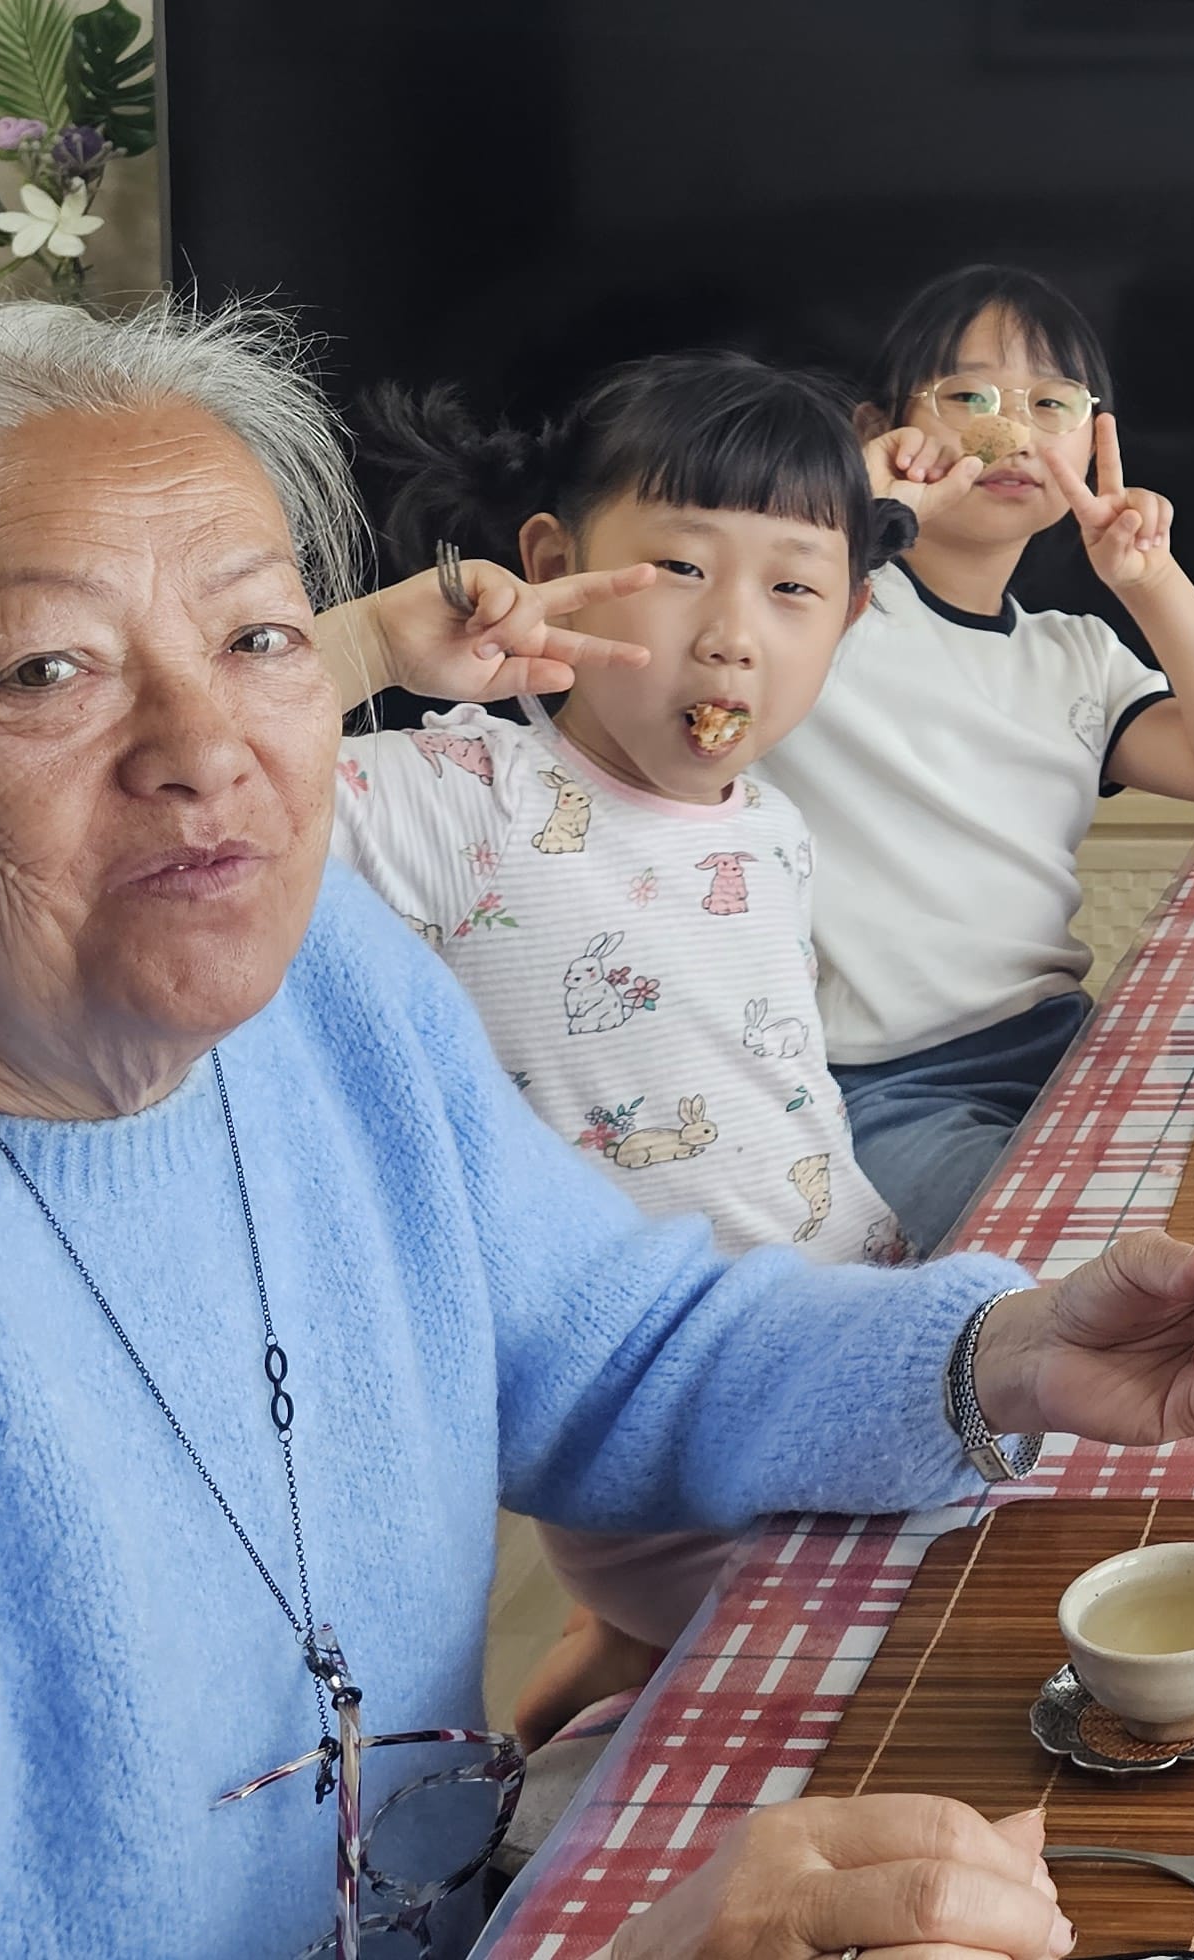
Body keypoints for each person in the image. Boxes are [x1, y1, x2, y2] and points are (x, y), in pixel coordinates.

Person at [0, 294, 1194, 1955]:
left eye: (262, 643)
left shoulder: (329, 984)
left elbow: (620, 1347)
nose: (202, 752)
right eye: (51, 669)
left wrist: (1009, 1355)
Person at [336, 351, 923, 1745]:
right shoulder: (465, 789)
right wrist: (369, 648)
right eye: (677, 567)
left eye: (793, 589)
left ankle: (563, 1728)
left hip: (830, 1309)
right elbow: (210, 765)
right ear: (550, 564)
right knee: (858, 1674)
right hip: (646, 1409)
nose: (733, 636)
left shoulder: (767, 819)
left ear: (847, 621)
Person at [754, 263, 1194, 1254]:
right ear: (884, 423)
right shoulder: (826, 612)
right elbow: (746, 617)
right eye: (968, 396)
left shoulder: (1074, 655)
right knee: (1070, 1260)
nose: (1010, 426)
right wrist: (857, 499)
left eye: (1050, 402)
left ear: (1089, 439)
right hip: (885, 1091)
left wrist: (1147, 578)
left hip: (1062, 1046)